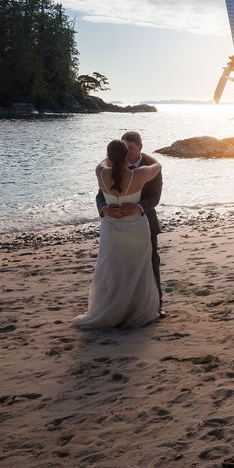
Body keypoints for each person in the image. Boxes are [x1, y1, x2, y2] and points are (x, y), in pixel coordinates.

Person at [73, 139, 162, 328]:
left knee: (112, 267)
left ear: (110, 156)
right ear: (124, 156)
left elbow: (104, 163)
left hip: (111, 228)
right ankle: (138, 310)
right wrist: (144, 154)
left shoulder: (101, 172)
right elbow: (157, 165)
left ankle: (111, 309)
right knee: (137, 268)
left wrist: (113, 157)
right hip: (135, 228)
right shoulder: (138, 175)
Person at [95, 131, 164, 314]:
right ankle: (123, 308)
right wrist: (104, 209)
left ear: (140, 147)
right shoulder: (143, 171)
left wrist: (139, 207)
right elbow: (100, 196)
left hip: (144, 222)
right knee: (116, 267)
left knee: (150, 264)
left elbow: (155, 198)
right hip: (116, 226)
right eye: (125, 149)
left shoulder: (103, 170)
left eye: (131, 148)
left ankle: (156, 307)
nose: (129, 152)